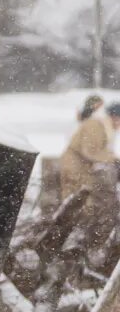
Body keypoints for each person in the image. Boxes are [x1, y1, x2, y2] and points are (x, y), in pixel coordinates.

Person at [60, 96, 120, 246]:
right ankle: (66, 241)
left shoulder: (106, 127)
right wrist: (114, 159)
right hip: (75, 167)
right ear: (114, 116)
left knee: (87, 204)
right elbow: (90, 151)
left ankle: (78, 239)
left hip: (84, 168)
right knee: (75, 203)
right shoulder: (96, 125)